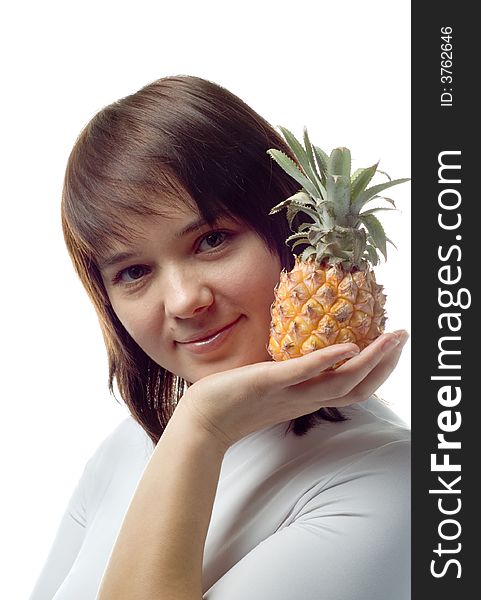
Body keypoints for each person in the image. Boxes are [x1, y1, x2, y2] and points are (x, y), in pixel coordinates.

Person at [30, 75, 410, 600]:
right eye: (135, 272)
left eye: (212, 240)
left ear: (287, 229)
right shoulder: (127, 448)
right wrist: (192, 429)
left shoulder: (391, 482)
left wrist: (201, 428)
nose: (185, 301)